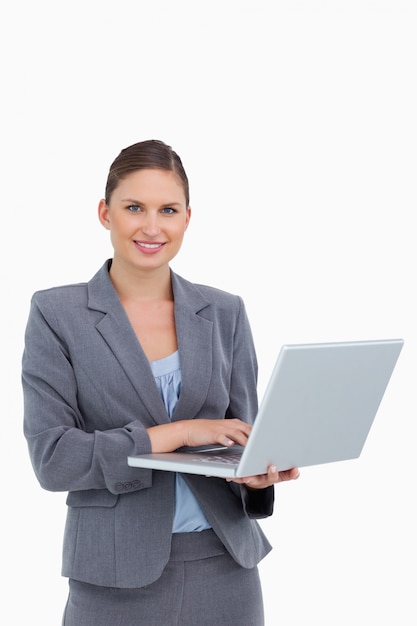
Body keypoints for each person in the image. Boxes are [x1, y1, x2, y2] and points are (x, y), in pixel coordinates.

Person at [22, 139, 300, 626]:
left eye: (168, 210)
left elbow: (243, 438)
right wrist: (176, 434)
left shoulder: (224, 312)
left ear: (187, 219)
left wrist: (257, 479)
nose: (152, 227)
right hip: (113, 575)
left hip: (226, 568)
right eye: (134, 208)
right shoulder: (56, 313)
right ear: (105, 213)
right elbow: (54, 460)